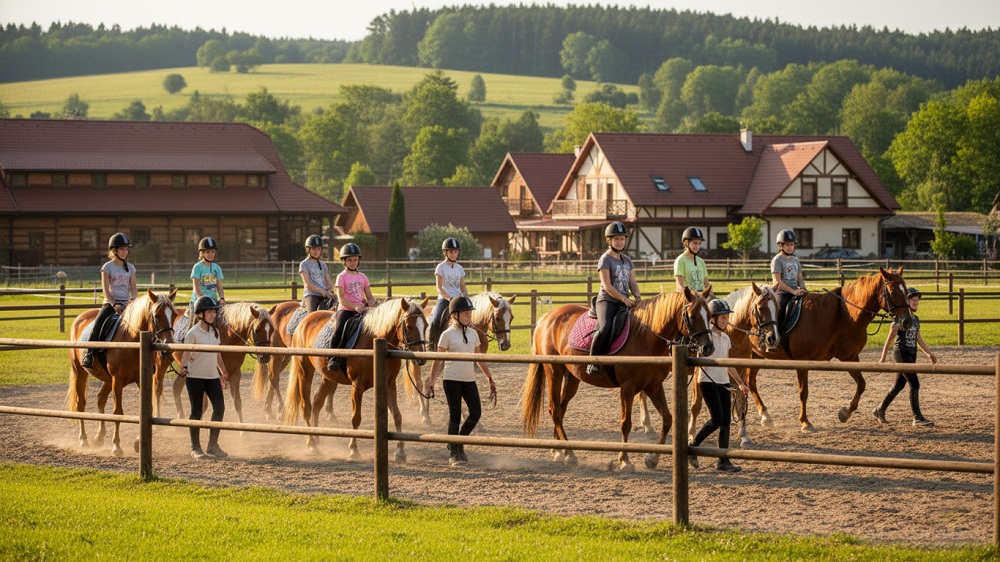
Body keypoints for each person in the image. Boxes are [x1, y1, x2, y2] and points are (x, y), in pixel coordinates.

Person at [424, 295, 497, 466]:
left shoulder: (473, 334)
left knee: (475, 413)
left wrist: (489, 377)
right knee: (455, 415)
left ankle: (457, 442)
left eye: (470, 313)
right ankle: (455, 454)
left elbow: (479, 357)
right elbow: (438, 360)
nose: (469, 316)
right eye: (466, 313)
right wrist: (432, 381)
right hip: (451, 380)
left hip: (469, 379)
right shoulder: (447, 335)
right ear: (455, 315)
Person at [688, 298, 749, 472]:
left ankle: (723, 460)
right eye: (722, 317)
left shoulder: (726, 338)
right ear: (712, 318)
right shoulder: (707, 337)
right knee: (717, 419)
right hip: (707, 381)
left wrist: (740, 383)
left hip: (722, 381)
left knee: (726, 421)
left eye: (726, 317)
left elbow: (729, 364)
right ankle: (693, 445)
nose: (725, 320)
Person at [874, 287, 937, 427]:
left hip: (911, 354)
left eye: (917, 301)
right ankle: (917, 418)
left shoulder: (916, 320)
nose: (916, 303)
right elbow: (888, 341)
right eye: (913, 300)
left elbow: (918, 339)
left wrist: (928, 353)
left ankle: (879, 410)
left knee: (899, 384)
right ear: (906, 301)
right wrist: (882, 359)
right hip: (901, 353)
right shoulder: (898, 321)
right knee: (914, 383)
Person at [178, 296, 230, 460]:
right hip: (195, 377)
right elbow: (186, 352)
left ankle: (212, 445)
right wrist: (183, 367)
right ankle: (195, 447)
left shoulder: (215, 332)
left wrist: (223, 371)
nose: (213, 314)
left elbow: (217, 353)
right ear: (200, 314)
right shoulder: (193, 333)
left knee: (219, 408)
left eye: (214, 311)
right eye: (209, 311)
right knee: (196, 411)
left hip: (212, 376)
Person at [587, 222, 641, 377]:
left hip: (625, 301)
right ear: (609, 241)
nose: (620, 242)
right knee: (605, 328)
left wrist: (637, 296)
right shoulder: (605, 259)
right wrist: (624, 299)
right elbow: (607, 285)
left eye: (622, 239)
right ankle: (593, 361)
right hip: (607, 300)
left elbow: (632, 282)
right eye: (616, 239)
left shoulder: (627, 260)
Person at [82, 232, 139, 368]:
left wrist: (132, 301)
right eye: (122, 249)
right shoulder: (107, 267)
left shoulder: (131, 268)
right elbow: (106, 291)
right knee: (98, 324)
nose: (125, 252)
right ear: (114, 251)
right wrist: (114, 304)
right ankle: (89, 354)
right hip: (110, 303)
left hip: (127, 304)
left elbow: (134, 289)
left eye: (126, 249)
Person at [327, 243, 374, 372]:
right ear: (344, 261)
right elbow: (341, 298)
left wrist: (371, 302)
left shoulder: (363, 277)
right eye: (349, 260)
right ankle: (333, 357)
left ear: (359, 260)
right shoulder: (341, 277)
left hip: (362, 309)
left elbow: (369, 295)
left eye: (355, 260)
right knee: (339, 329)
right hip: (346, 310)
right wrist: (355, 306)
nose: (353, 263)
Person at [428, 237, 468, 352]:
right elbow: (439, 287)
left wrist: (466, 297)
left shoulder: (459, 268)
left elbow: (463, 286)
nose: (453, 254)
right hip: (445, 299)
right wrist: (448, 298)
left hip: (458, 299)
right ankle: (431, 345)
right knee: (435, 320)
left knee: (471, 319)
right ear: (445, 252)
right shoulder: (441, 267)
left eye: (455, 252)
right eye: (451, 252)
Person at [770, 229, 807, 332]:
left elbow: (800, 277)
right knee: (780, 311)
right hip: (782, 293)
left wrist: (803, 288)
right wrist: (793, 291)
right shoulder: (777, 260)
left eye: (792, 244)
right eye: (787, 245)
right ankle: (777, 335)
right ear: (780, 246)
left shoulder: (795, 260)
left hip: (796, 291)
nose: (790, 247)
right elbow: (777, 282)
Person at [189, 236, 225, 319]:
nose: (210, 254)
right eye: (208, 252)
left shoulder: (217, 268)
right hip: (199, 301)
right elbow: (196, 288)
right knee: (194, 322)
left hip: (213, 302)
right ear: (202, 253)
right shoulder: (197, 267)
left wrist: (222, 298)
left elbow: (219, 287)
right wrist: (203, 301)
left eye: (213, 252)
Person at [299, 235, 335, 312]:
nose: (317, 252)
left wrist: (330, 291)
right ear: (308, 250)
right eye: (314, 249)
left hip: (325, 294)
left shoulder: (323, 264)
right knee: (313, 316)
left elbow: (328, 280)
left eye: (319, 249)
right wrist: (322, 291)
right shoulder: (304, 264)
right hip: (312, 294)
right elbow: (307, 284)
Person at [674, 226, 710, 292]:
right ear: (687, 243)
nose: (698, 246)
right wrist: (692, 297)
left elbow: (706, 283)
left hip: (701, 299)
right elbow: (680, 286)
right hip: (688, 299)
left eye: (699, 243)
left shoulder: (701, 261)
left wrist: (710, 293)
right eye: (695, 243)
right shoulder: (680, 261)